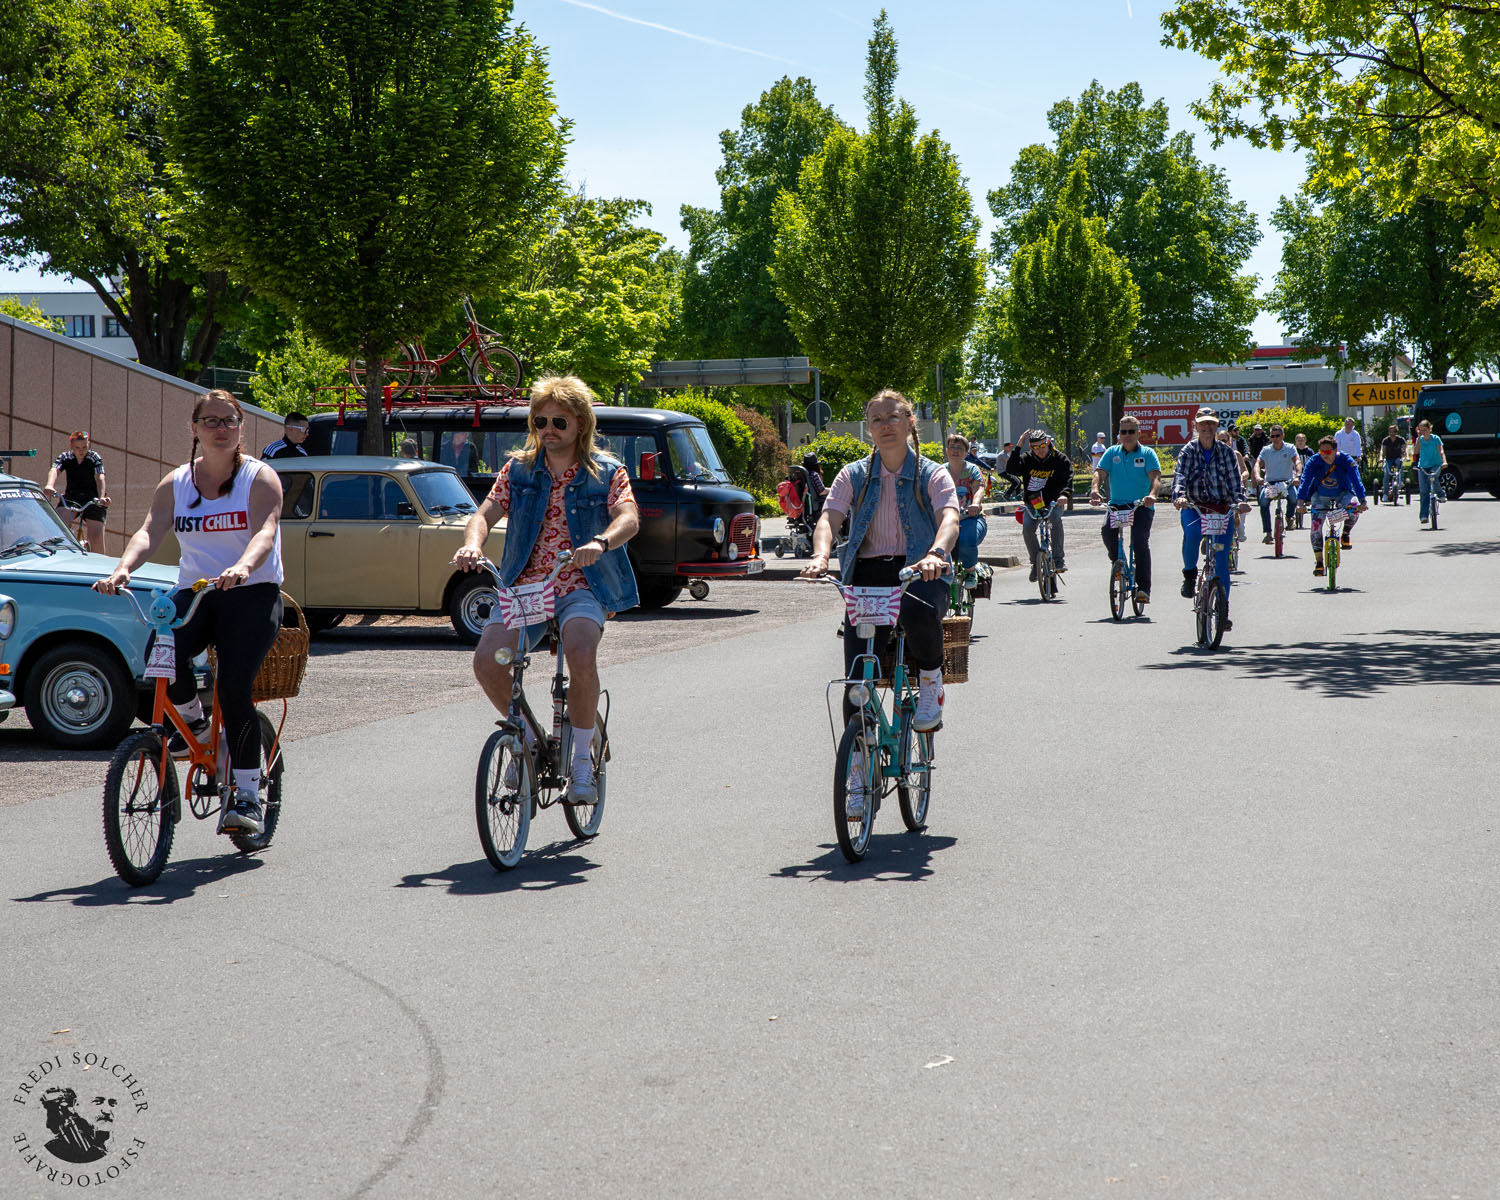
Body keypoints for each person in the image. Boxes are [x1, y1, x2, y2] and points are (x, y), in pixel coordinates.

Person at [95, 389, 285, 835]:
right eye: (211, 421)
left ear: (241, 428)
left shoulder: (260, 478)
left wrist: (242, 566)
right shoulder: (177, 482)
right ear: (195, 428)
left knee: (235, 690)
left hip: (251, 592)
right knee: (159, 656)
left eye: (229, 421)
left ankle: (247, 797)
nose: (221, 429)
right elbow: (149, 531)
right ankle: (197, 728)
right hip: (197, 591)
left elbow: (266, 531)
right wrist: (122, 568)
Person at [455, 375, 640, 803]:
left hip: (582, 585)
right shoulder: (518, 470)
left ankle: (580, 767)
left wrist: (600, 542)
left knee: (578, 651)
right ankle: (530, 742)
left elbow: (628, 517)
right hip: (526, 587)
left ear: (580, 423)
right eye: (540, 421)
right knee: (488, 662)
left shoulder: (607, 471)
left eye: (559, 422)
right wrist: (471, 543)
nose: (548, 430)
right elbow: (484, 513)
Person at [801, 389, 958, 748]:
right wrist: (821, 555)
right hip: (868, 574)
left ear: (909, 422)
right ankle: (858, 762)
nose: (885, 425)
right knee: (856, 681)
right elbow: (829, 517)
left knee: (916, 608)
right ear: (868, 428)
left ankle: (931, 682)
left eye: (893, 417)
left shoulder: (931, 474)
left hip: (920, 570)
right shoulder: (853, 474)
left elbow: (949, 516)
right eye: (876, 420)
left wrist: (936, 553)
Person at [1172, 410, 1245, 623]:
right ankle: (1189, 574)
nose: (1207, 428)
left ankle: (1223, 612)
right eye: (1203, 424)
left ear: (1216, 426)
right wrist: (1180, 497)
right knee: (1193, 534)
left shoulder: (1226, 452)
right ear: (1195, 426)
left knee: (1222, 561)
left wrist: (1239, 502)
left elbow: (1235, 482)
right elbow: (1180, 477)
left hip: (1221, 508)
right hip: (1194, 506)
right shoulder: (1188, 451)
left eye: (1211, 424)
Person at [1089, 415, 1160, 604]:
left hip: (1140, 505)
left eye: (1131, 432)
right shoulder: (1112, 452)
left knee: (1139, 542)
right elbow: (1099, 473)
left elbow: (1155, 478)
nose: (1127, 435)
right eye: (1123, 432)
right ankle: (1117, 563)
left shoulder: (1147, 454)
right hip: (1117, 504)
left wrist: (1152, 495)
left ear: (1138, 433)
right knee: (1106, 531)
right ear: (1119, 434)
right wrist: (1095, 490)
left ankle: (1143, 589)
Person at [1296, 434, 1367, 576]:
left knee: (1354, 509)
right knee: (1316, 527)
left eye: (1327, 452)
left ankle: (1345, 534)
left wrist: (1363, 501)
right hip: (1320, 496)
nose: (1324, 455)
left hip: (1343, 494)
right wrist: (1300, 502)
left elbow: (1356, 480)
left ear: (1335, 450)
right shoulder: (1314, 460)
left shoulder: (1346, 460)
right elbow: (1305, 481)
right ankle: (1319, 562)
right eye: (1321, 452)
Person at [1005, 428, 1071, 579]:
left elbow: (1068, 478)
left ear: (1048, 442)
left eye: (1042, 446)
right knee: (1027, 528)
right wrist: (1018, 446)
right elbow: (1012, 469)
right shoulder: (1027, 458)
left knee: (1055, 520)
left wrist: (1064, 495)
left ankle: (1058, 560)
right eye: (1035, 447)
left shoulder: (1060, 459)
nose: (1039, 450)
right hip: (1033, 503)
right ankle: (1036, 563)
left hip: (1053, 502)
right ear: (1030, 447)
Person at [43, 431, 110, 551]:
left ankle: (99, 567)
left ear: (88, 444)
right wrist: (49, 485)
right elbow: (54, 470)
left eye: (84, 447)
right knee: (57, 524)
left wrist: (101, 497)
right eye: (77, 448)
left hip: (93, 498)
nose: (81, 451)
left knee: (96, 537)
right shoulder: (65, 457)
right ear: (71, 447)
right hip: (72, 497)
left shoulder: (94, 457)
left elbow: (100, 477)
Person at [943, 433, 988, 569]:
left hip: (971, 517)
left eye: (960, 448)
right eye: (952, 447)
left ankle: (970, 570)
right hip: (945, 520)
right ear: (947, 451)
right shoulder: (940, 471)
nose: (955, 451)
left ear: (966, 453)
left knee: (965, 541)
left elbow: (979, 488)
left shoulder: (972, 470)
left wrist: (975, 503)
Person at [1252, 424, 1302, 542]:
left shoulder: (1290, 448)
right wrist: (1258, 477)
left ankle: (1289, 517)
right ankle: (1268, 533)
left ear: (1283, 435)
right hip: (1271, 483)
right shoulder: (1266, 450)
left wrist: (1298, 475)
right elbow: (1257, 464)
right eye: (1272, 436)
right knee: (1263, 502)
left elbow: (1297, 462)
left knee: (1293, 499)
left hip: (1287, 481)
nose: (1275, 438)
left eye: (1277, 436)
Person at [1412, 418, 1447, 523]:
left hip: (1435, 465)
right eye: (1421, 430)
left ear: (1429, 429)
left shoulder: (1435, 438)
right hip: (1423, 466)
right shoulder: (1420, 439)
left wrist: (1444, 462)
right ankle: (1424, 515)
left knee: (1432, 476)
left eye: (1424, 430)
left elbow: (1441, 451)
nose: (1423, 432)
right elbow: (1416, 451)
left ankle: (1441, 494)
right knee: (1423, 492)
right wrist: (1418, 437)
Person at [1380, 426, 1407, 498]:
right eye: (1390, 432)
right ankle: (1385, 494)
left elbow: (1404, 450)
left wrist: (1406, 457)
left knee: (1399, 463)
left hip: (1397, 458)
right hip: (1388, 459)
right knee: (1386, 474)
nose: (1392, 433)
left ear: (1396, 432)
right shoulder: (1385, 440)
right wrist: (1381, 458)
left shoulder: (1401, 440)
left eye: (1393, 432)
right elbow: (1382, 450)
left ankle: (1400, 481)